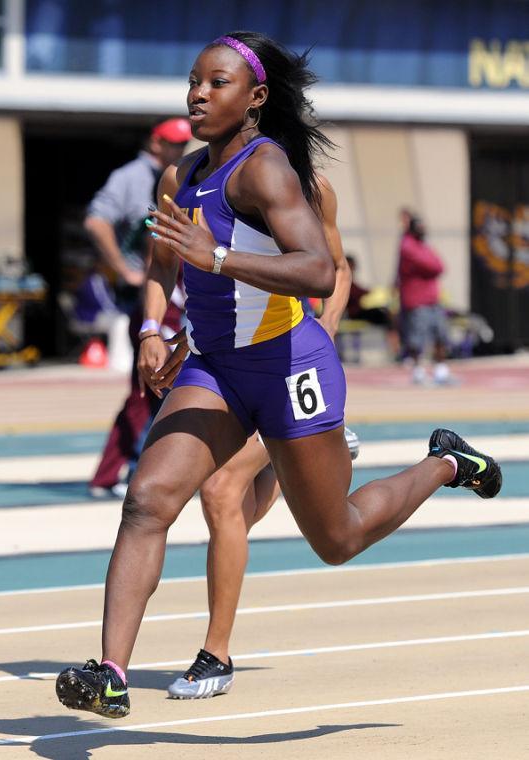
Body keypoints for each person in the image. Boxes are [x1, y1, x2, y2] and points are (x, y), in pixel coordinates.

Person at [56, 31, 502, 719]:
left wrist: (220, 258)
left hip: (290, 364)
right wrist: (152, 328)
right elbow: (163, 262)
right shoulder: (181, 174)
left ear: (256, 98)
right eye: (193, 81)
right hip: (214, 369)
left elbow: (320, 270)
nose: (198, 94)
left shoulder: (268, 172)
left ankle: (446, 463)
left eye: (217, 83)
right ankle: (112, 672)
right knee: (147, 500)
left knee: (338, 537)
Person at [162, 175, 359, 699]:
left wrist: (326, 332)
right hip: (228, 367)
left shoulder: (309, 187)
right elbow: (214, 289)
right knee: (233, 504)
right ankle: (310, 452)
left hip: (291, 364)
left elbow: (336, 268)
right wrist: (171, 334)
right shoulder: (201, 179)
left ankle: (216, 655)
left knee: (221, 493)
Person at [86, 118, 191, 498]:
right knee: (152, 386)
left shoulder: (184, 173)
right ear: (155, 141)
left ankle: (124, 470)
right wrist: (123, 269)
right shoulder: (133, 176)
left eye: (183, 144)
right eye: (172, 143)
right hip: (152, 295)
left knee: (158, 387)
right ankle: (123, 471)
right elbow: (97, 221)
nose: (178, 150)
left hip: (173, 293)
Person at [398, 215, 452, 385]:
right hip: (416, 301)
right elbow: (432, 265)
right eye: (420, 228)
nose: (423, 231)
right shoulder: (407, 246)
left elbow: (440, 266)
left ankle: (440, 370)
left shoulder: (423, 245)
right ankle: (418, 371)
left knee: (440, 335)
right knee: (417, 339)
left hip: (432, 299)